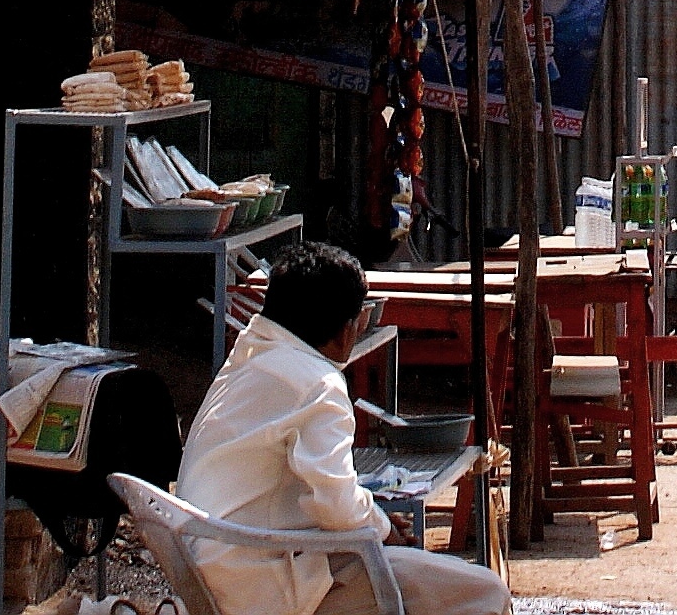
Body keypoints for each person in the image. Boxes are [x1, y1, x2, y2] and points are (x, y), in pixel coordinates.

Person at [179, 240, 506, 613]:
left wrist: (374, 520)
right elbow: (336, 506)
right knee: (483, 591)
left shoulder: (246, 362)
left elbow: (316, 495)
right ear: (346, 330)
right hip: (261, 589)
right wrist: (384, 532)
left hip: (214, 568)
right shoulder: (318, 383)